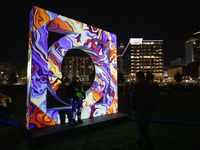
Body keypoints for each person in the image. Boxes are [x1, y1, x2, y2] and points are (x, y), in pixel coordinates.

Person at [131, 71, 156, 150]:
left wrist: (133, 109)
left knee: (143, 132)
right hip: (148, 111)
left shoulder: (137, 86)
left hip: (140, 112)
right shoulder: (149, 86)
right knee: (144, 130)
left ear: (138, 77)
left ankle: (149, 147)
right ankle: (138, 143)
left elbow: (133, 98)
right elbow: (153, 98)